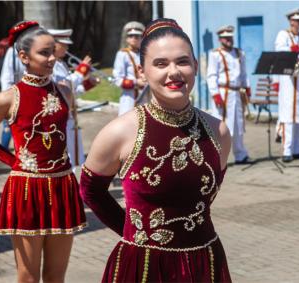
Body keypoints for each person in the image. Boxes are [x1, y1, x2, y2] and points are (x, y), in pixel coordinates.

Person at [80, 18, 232, 282]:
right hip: (144, 266)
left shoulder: (218, 131)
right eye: (160, 63)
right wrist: (134, 232)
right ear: (142, 71)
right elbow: (90, 191)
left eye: (182, 61)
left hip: (204, 262)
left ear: (195, 66)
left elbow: (201, 198)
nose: (174, 72)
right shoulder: (120, 132)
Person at [0, 21, 87, 282]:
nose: (51, 58)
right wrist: (13, 161)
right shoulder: (8, 98)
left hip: (62, 186)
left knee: (56, 275)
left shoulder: (65, 92)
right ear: (24, 57)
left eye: (53, 51)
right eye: (43, 53)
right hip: (27, 190)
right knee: (27, 276)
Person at [50, 28, 97, 170]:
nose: (67, 48)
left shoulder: (61, 64)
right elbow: (60, 87)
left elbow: (71, 91)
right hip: (60, 116)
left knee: (74, 156)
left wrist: (88, 84)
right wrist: (81, 71)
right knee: (66, 156)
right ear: (54, 45)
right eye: (63, 44)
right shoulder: (51, 65)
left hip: (70, 116)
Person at [274, 8, 299, 162]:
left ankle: (298, 149)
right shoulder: (283, 35)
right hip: (289, 80)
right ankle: (287, 150)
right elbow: (280, 52)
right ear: (291, 21)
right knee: (288, 116)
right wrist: (296, 49)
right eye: (296, 21)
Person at [207, 25, 252, 164]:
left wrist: (247, 87)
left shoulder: (239, 53)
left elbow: (244, 73)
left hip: (237, 92)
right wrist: (215, 94)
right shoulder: (215, 54)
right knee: (221, 125)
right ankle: (217, 157)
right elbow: (211, 75)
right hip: (223, 92)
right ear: (220, 39)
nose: (228, 40)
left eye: (230, 37)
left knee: (238, 124)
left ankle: (240, 154)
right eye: (225, 38)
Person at [0, 22, 28, 149]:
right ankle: (3, 151)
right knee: (9, 126)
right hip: (16, 95)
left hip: (31, 95)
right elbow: (6, 77)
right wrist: (10, 100)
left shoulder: (35, 50)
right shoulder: (12, 52)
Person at [113, 21, 147, 116]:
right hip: (129, 97)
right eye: (131, 36)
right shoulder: (122, 54)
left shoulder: (144, 54)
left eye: (137, 36)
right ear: (127, 39)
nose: (134, 39)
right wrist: (136, 82)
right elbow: (117, 79)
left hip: (145, 96)